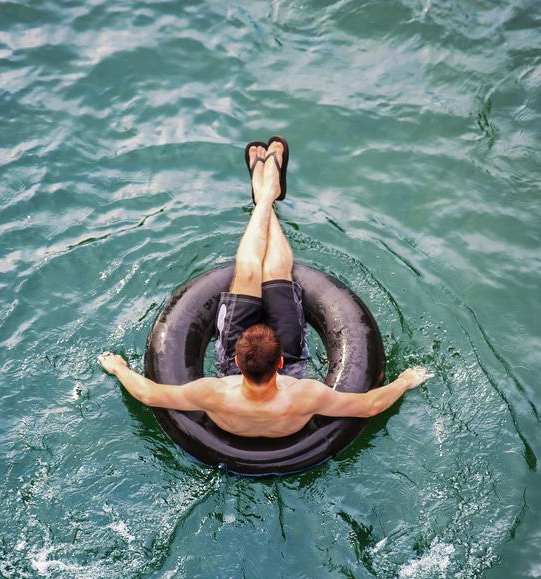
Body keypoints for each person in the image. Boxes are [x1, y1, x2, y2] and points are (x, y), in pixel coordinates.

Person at [98, 137, 432, 438]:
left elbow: (147, 393)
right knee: (274, 270)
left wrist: (118, 368)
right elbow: (371, 405)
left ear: (238, 362)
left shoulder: (213, 392)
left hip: (235, 391)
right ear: (281, 364)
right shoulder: (304, 396)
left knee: (247, 271)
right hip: (284, 390)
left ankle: (265, 196)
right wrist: (405, 380)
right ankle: (267, 194)